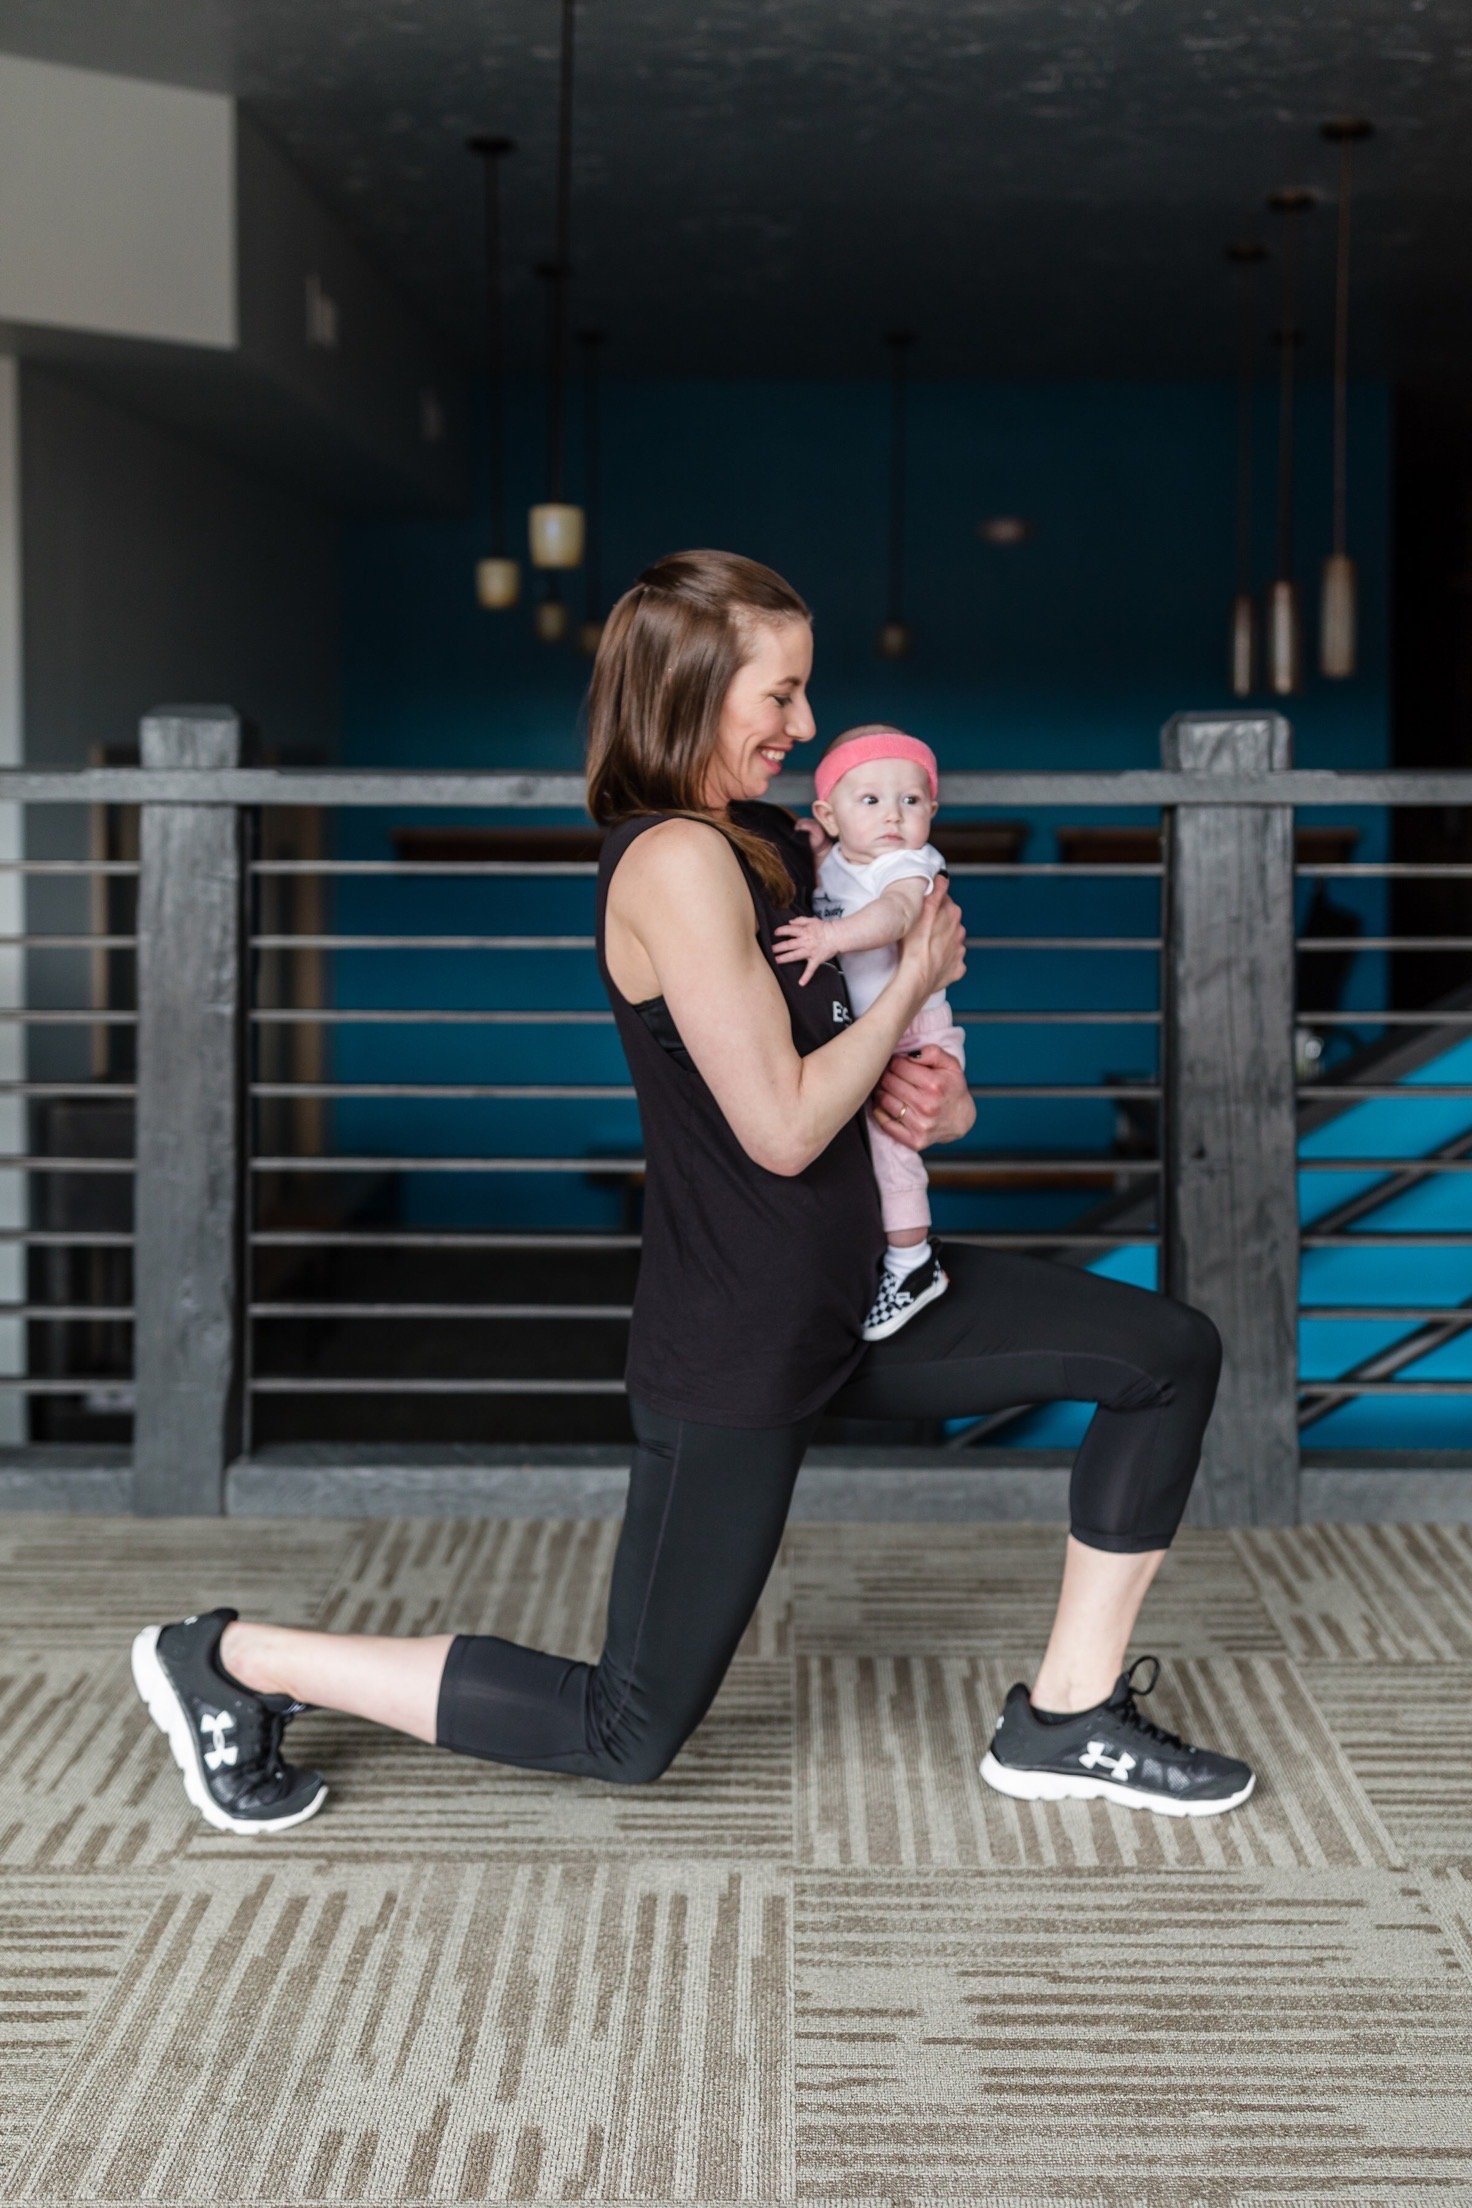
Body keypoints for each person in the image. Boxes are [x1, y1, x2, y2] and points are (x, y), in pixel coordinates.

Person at [129, 548, 1253, 1837]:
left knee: (1165, 1351)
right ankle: (231, 1661)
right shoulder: (670, 862)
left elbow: (901, 1069)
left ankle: (1064, 1716)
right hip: (745, 1334)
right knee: (627, 1732)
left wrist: (947, 1103)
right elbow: (779, 1127)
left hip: (872, 1297)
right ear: (693, 691)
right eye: (779, 696)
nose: (807, 726)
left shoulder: (775, 842)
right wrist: (902, 985)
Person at [773, 722, 963, 1341]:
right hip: (864, 1032)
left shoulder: (909, 865)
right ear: (829, 814)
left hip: (910, 1032)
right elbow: (835, 873)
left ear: (931, 811)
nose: (892, 816)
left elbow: (897, 914)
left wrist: (830, 938)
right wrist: (811, 846)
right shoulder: (838, 862)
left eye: (911, 800)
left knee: (891, 1146)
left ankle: (912, 1264)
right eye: (871, 800)